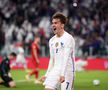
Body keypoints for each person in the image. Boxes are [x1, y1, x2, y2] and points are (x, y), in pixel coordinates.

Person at [40, 12, 75, 90]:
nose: (53, 25)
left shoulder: (68, 38)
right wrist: (47, 74)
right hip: (56, 69)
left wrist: (62, 74)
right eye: (52, 23)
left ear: (62, 25)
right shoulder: (52, 40)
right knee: (48, 88)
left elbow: (66, 57)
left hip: (67, 71)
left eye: (56, 23)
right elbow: (52, 59)